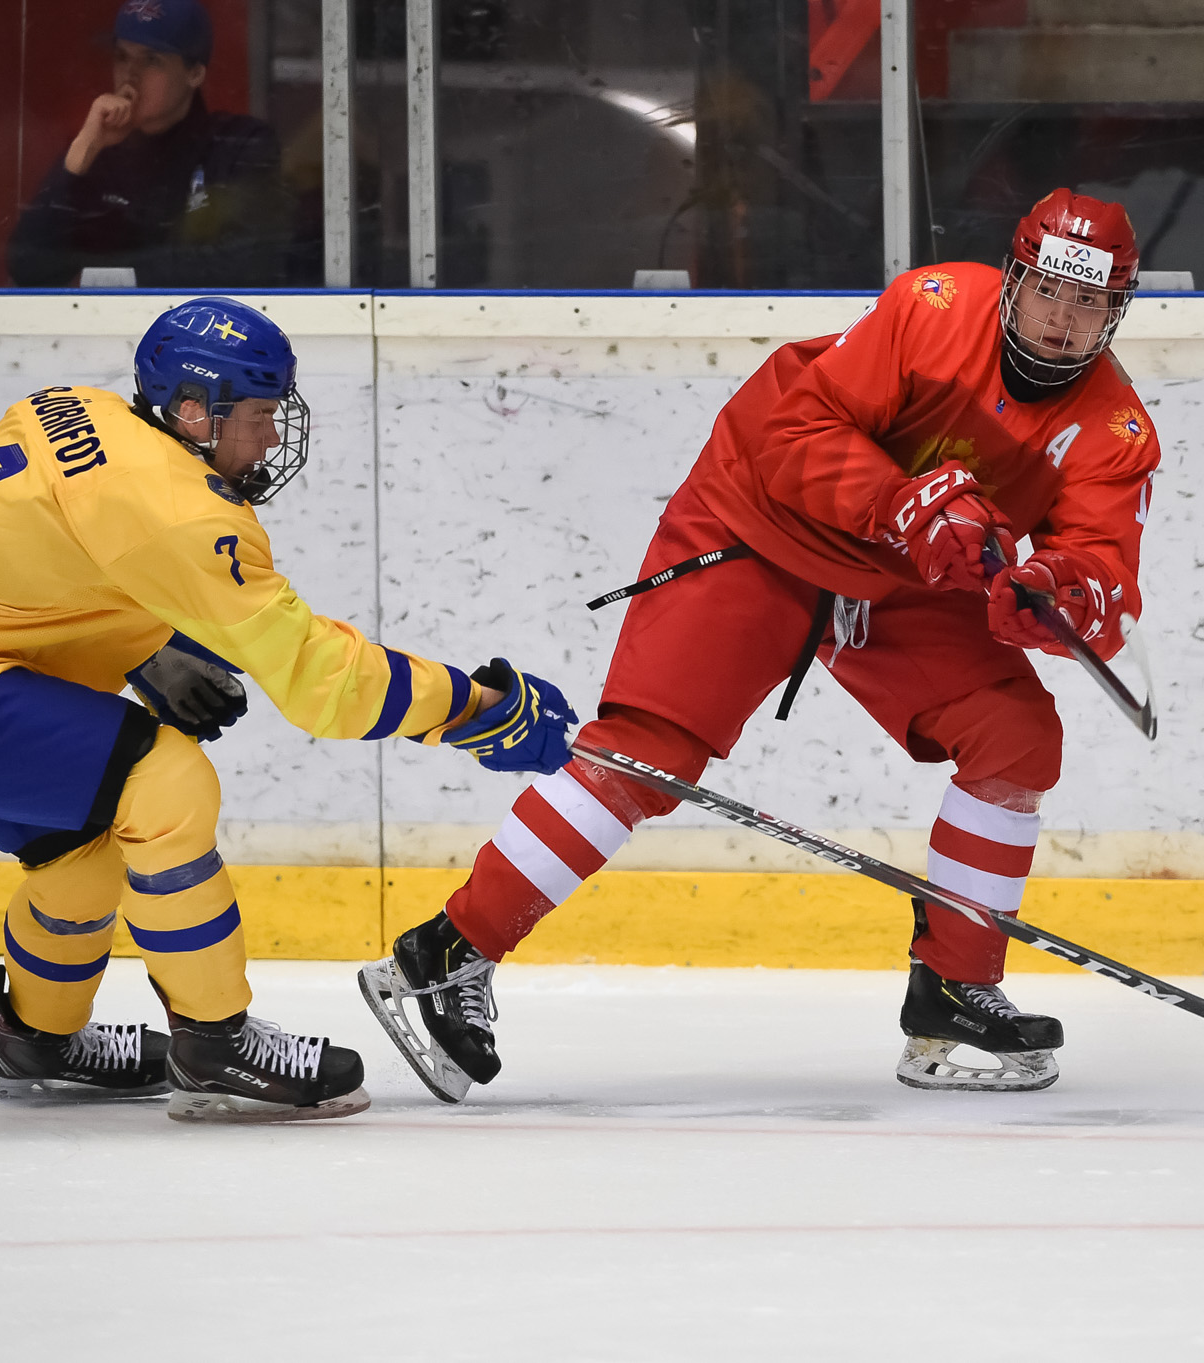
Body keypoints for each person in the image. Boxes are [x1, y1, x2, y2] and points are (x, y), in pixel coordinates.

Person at [359, 189, 1162, 1101]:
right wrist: (900, 502)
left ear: (1116, 312)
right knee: (645, 754)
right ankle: (449, 952)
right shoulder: (932, 308)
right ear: (1014, 279)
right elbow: (795, 433)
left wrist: (1057, 592)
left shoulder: (1116, 432)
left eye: (1088, 301)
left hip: (901, 575)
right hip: (759, 521)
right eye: (1049, 290)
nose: (1061, 319)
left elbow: (1103, 570)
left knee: (1017, 736)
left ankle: (954, 987)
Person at [0, 296, 575, 1123]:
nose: (270, 438)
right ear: (194, 412)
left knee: (82, 850)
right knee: (167, 783)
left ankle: (38, 1040)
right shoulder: (183, 513)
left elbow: (33, 555)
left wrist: (142, 644)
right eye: (259, 415)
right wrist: (473, 706)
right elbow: (321, 679)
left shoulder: (69, 405)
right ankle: (215, 1042)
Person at [8, 0, 290, 288]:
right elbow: (27, 267)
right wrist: (81, 152)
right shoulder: (98, 149)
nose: (130, 74)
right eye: (122, 57)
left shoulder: (238, 144)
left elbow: (249, 264)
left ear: (195, 73)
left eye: (151, 60)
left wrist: (113, 273)